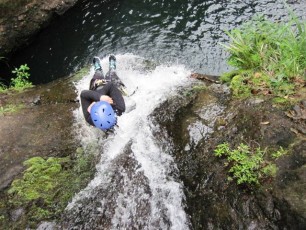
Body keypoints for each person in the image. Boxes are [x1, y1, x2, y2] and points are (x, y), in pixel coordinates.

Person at [80, 54, 126, 130]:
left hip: (97, 87)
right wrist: (102, 97)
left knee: (98, 75)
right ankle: (112, 67)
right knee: (111, 75)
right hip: (110, 87)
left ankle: (98, 69)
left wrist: (99, 97)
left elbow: (83, 94)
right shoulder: (120, 108)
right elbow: (110, 85)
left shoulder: (89, 118)